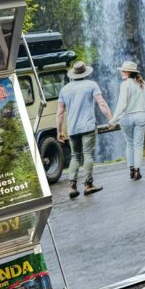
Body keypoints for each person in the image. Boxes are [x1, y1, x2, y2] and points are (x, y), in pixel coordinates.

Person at [56, 60, 112, 198]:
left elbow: (60, 112)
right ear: (85, 73)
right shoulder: (91, 85)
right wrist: (111, 119)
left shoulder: (65, 89)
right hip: (88, 126)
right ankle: (88, 185)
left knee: (75, 156)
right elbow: (102, 103)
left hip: (73, 127)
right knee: (88, 155)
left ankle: (72, 187)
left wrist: (59, 131)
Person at [110, 59, 145, 181]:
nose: (121, 72)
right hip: (141, 115)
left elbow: (122, 104)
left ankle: (131, 170)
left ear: (127, 72)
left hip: (127, 117)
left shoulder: (125, 85)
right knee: (138, 145)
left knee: (129, 144)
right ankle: (137, 171)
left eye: (123, 71)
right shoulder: (142, 83)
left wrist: (113, 120)